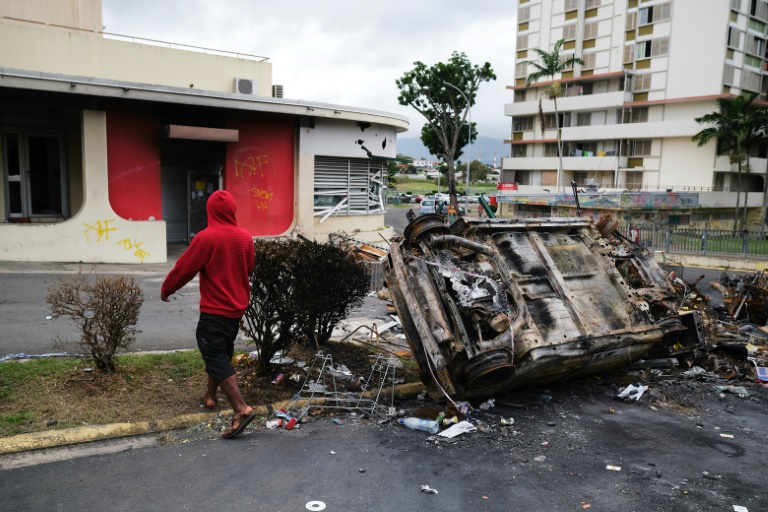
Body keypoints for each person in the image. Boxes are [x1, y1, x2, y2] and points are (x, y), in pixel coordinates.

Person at [161, 190, 256, 439]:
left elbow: (185, 269)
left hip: (215, 310)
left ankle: (241, 408)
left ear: (210, 211)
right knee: (221, 353)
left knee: (214, 354)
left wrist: (167, 288)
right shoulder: (245, 237)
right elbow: (249, 268)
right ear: (232, 210)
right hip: (236, 310)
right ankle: (211, 396)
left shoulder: (207, 238)